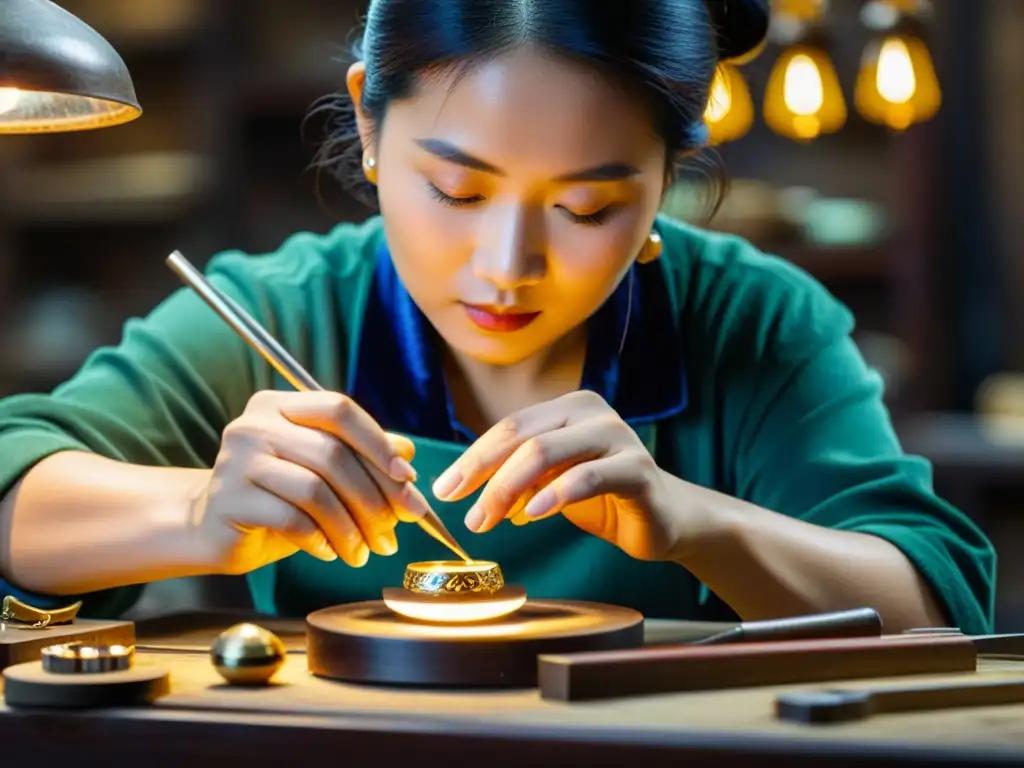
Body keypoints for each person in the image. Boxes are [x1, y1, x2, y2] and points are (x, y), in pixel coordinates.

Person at [0, 0, 996, 634]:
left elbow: (931, 602)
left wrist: (695, 523)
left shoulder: (751, 319)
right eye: (457, 190)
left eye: (587, 207)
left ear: (665, 180)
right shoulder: (286, 309)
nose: (505, 268)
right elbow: (15, 484)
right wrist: (196, 514)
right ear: (368, 123)